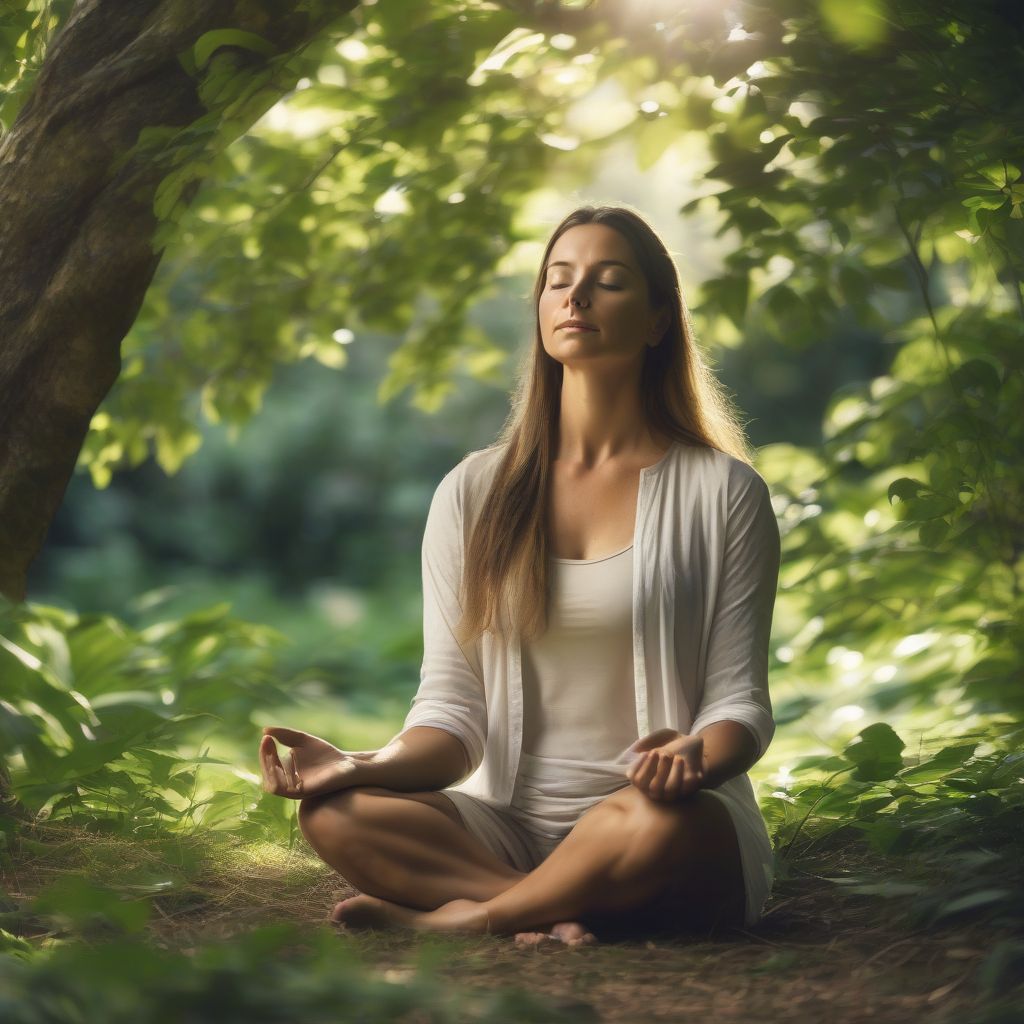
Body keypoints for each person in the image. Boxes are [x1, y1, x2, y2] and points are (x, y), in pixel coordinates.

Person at [259, 204, 781, 946]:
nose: (576, 298)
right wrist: (357, 763)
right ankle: (542, 905)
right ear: (540, 308)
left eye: (609, 282)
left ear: (659, 320)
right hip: (503, 828)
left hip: (660, 819)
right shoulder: (473, 494)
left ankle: (468, 919)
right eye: (559, 281)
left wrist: (696, 754)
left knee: (653, 823)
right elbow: (451, 714)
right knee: (337, 813)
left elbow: (742, 703)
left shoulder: (724, 493)